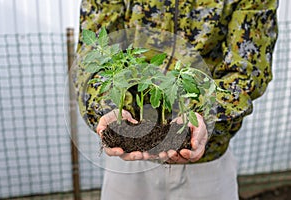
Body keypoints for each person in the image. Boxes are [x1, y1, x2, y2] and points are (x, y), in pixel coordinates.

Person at [73, 0, 278, 199]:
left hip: (206, 161)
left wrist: (203, 115)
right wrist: (109, 109)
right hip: (129, 157)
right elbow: (92, 58)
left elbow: (247, 70)